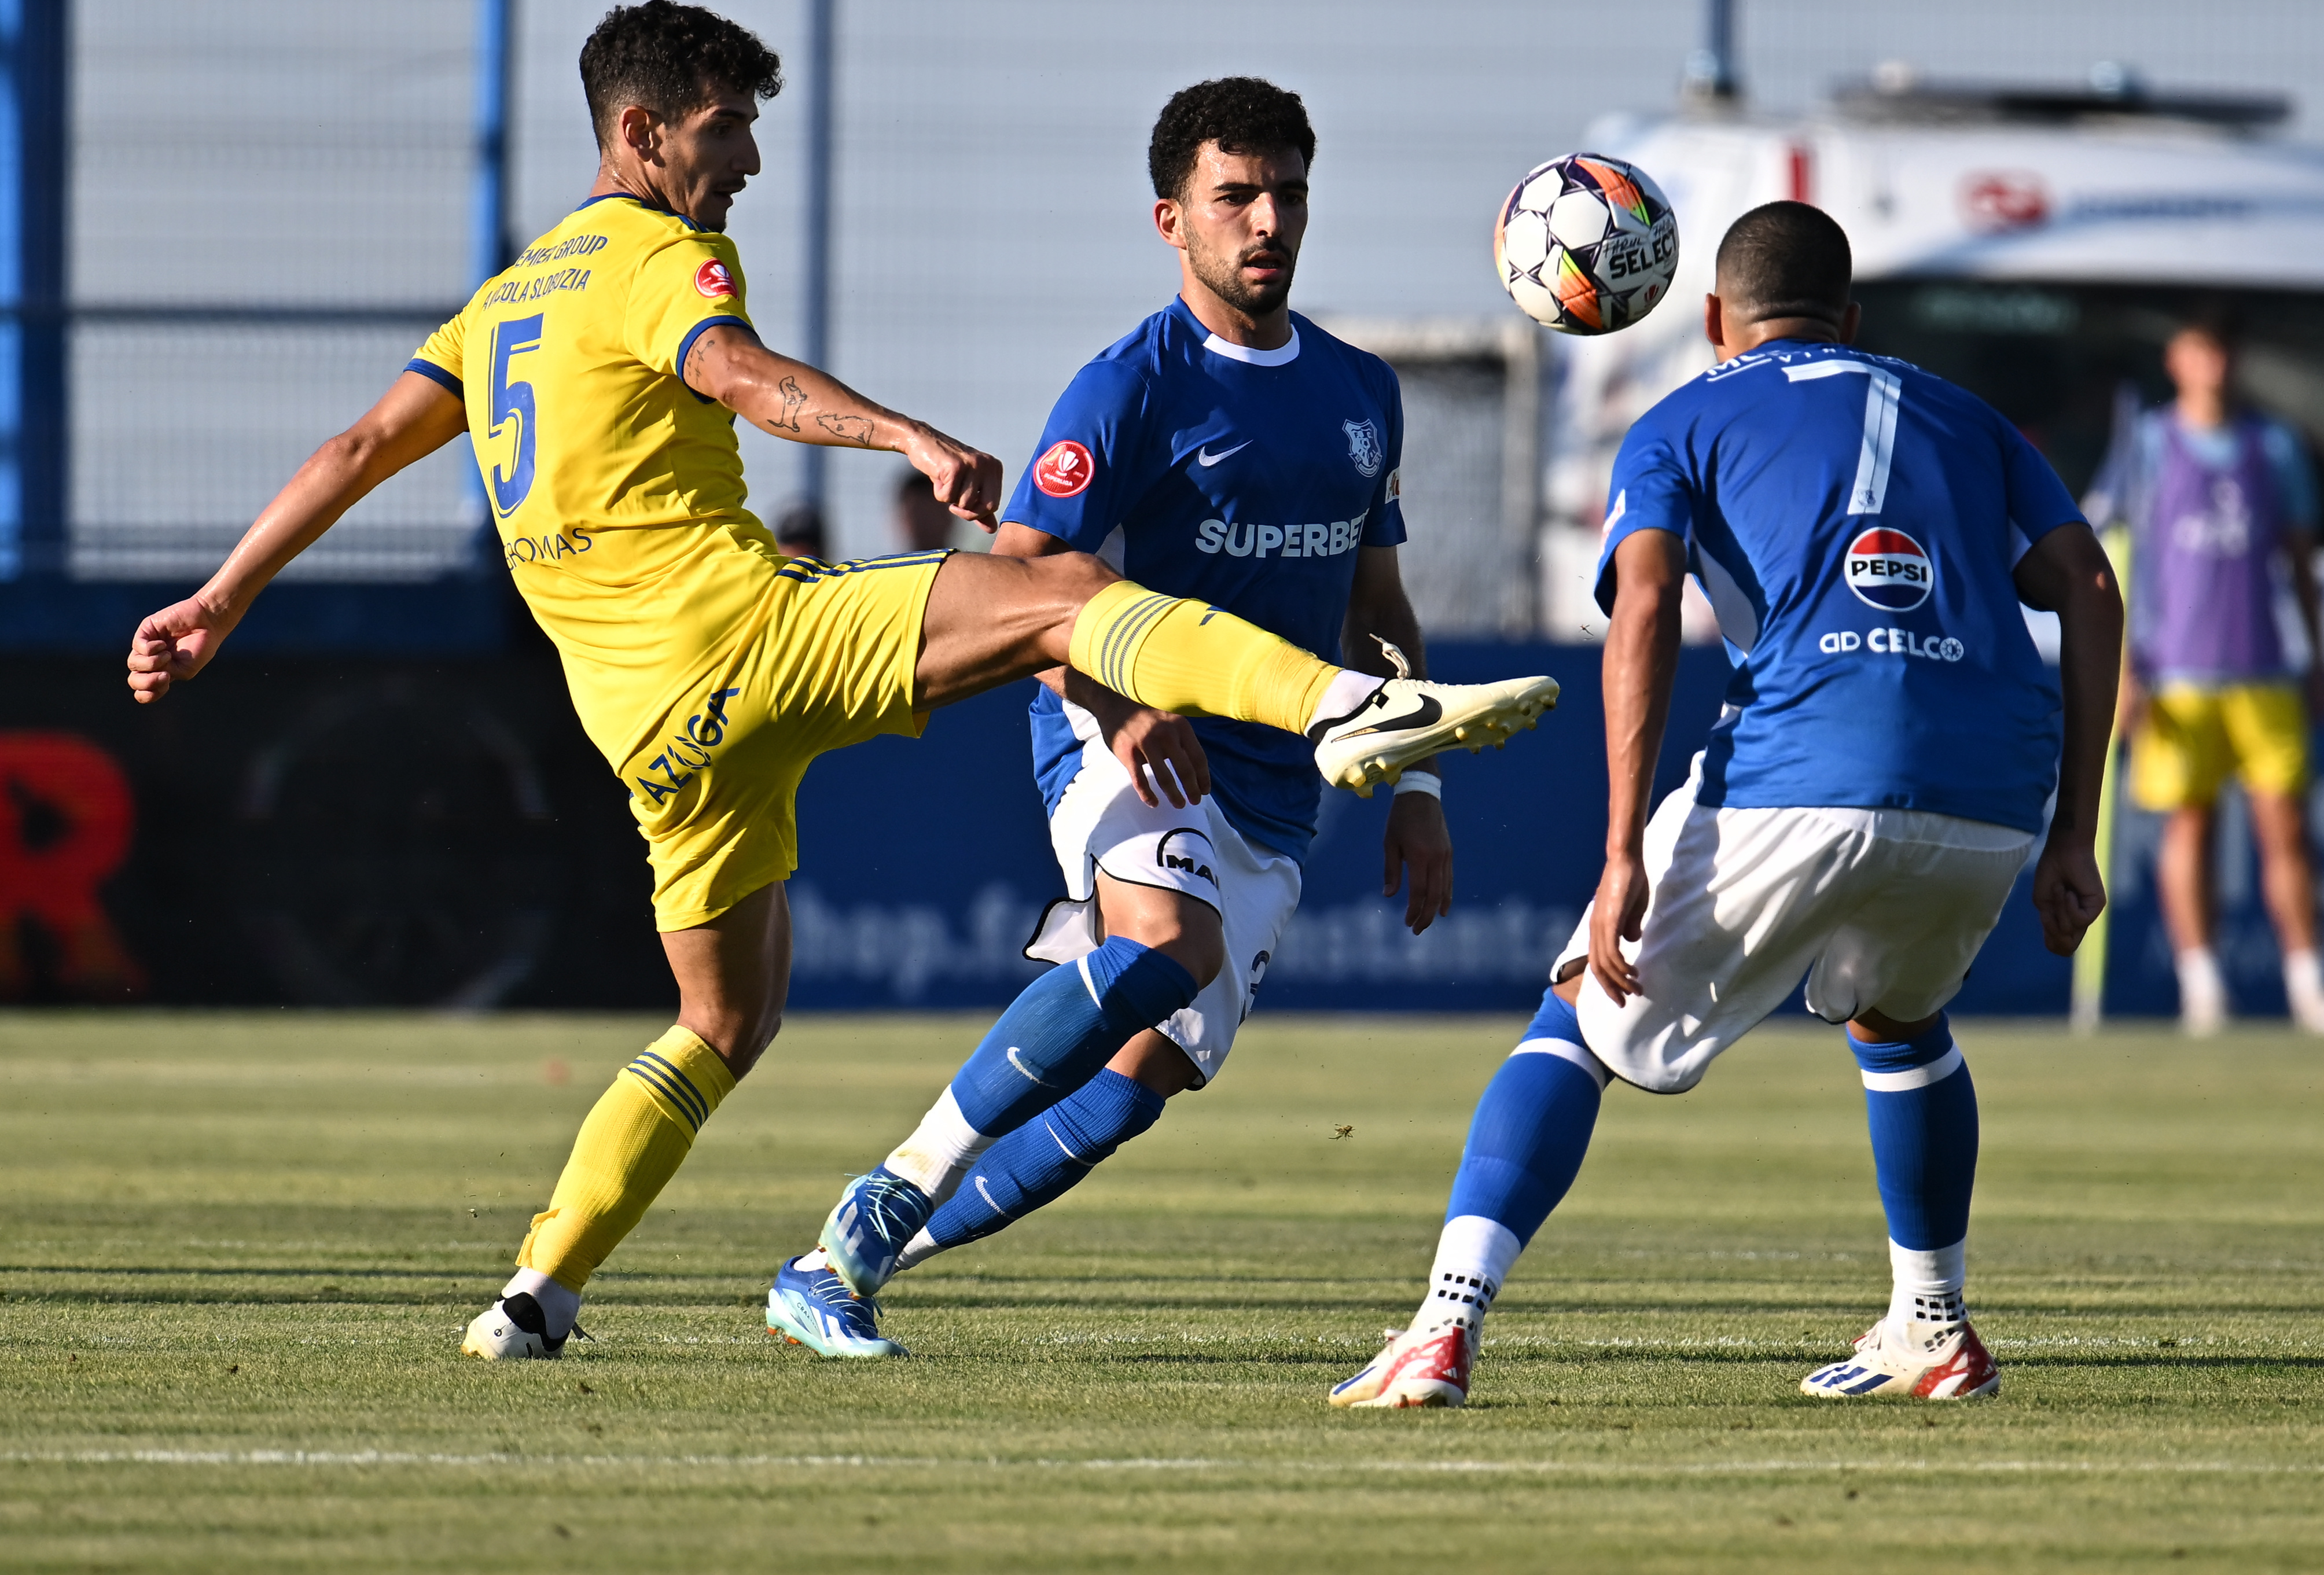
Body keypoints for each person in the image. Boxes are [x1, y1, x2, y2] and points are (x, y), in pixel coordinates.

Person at [120, 1, 1560, 1361]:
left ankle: (536, 1287)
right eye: (721, 127)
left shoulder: (503, 303)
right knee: (1062, 596)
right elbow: (736, 372)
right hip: (743, 636)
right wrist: (903, 440)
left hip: (643, 726)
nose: (741, 159)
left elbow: (360, 447)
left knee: (723, 1024)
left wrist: (219, 594)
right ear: (638, 134)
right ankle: (1339, 707)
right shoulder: (648, 253)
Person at [1329, 202, 2122, 1410]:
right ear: (1850, 320)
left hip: (1802, 762)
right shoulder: (1966, 417)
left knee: (1575, 1021)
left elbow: (1641, 606)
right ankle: (1935, 1325)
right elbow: (2089, 584)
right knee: (1898, 1018)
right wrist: (2072, 830)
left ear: (1712, 319)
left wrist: (1616, 852)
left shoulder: (1679, 418)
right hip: (1992, 789)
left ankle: (1442, 1328)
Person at [766, 78, 1471, 1356]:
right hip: (1118, 727)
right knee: (1162, 947)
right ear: (1171, 220)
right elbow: (1017, 584)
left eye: (1288, 195)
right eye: (1235, 197)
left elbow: (1378, 604)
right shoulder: (1128, 389)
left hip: (1274, 785)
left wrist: (1418, 787)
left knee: (1134, 1089)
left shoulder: (1364, 392)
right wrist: (1114, 700)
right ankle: (887, 1188)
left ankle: (833, 1268)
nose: (1268, 221)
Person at [2104, 312, 2324, 1035]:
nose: (2213, 366)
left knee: (2283, 828)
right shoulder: (2146, 443)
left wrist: (2315, 656)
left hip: (2263, 667)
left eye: (2224, 352)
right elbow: (2115, 552)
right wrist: (2121, 667)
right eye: (2200, 351)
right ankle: (2201, 985)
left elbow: (2297, 562)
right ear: (2177, 360)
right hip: (2176, 673)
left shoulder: (2274, 445)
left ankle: (2305, 982)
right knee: (2188, 826)